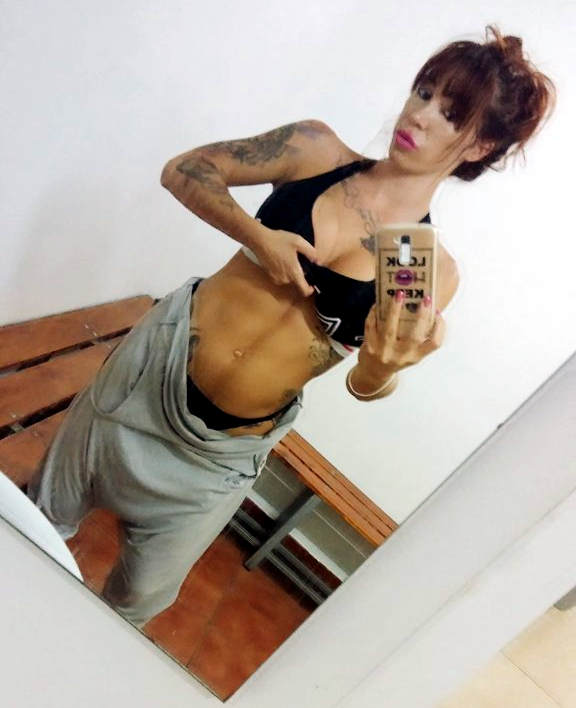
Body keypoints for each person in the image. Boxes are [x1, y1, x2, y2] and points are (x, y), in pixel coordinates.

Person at [28, 25, 554, 627]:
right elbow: (184, 170)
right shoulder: (316, 150)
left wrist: (383, 366)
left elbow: (364, 384)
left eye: (451, 113)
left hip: (223, 453)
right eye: (425, 91)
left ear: (480, 146)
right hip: (148, 376)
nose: (420, 114)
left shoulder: (418, 265)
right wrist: (258, 237)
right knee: (37, 522)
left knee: (132, 607)